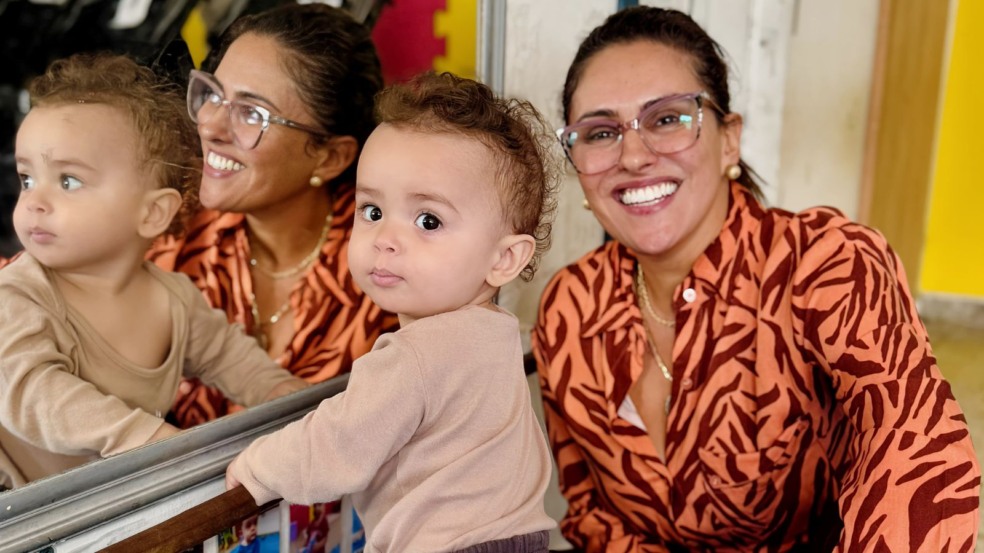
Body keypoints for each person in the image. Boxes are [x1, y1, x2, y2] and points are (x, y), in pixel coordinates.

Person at [533, 6, 980, 552]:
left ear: (729, 141)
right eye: (600, 132)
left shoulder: (827, 265)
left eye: (668, 118)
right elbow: (593, 516)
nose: (632, 155)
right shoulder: (570, 307)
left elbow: (917, 466)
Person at [225, 71, 559, 552]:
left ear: (505, 259)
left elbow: (336, 448)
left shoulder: (416, 356)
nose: (385, 239)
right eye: (372, 211)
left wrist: (258, 466)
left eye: (428, 220)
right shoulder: (494, 333)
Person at [0, 53, 307, 490]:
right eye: (27, 178)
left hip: (100, 506)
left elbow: (237, 363)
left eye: (68, 181)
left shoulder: (174, 300)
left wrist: (290, 398)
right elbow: (34, 395)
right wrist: (143, 437)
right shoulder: (17, 297)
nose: (33, 201)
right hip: (18, 513)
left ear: (153, 213)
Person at [148, 3, 399, 428]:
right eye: (212, 94)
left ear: (329, 158)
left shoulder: (387, 279)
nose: (210, 125)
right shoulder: (167, 233)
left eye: (252, 113)